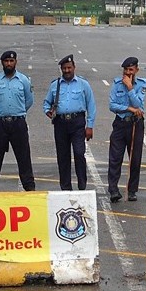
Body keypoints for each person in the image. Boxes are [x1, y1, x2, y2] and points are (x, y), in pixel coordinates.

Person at [0, 50, 35, 192]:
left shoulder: (23, 80)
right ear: (2, 63)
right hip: (0, 123)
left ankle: (29, 187)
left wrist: (17, 112)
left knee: (24, 157)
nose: (9, 64)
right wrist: (1, 112)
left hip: (18, 123)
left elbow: (29, 100)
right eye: (6, 61)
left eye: (11, 61)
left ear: (16, 62)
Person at [43, 54, 96, 190]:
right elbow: (47, 102)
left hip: (77, 122)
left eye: (69, 68)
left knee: (79, 153)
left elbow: (91, 105)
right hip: (60, 123)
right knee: (63, 156)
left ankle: (82, 185)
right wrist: (48, 111)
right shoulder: (55, 85)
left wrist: (89, 126)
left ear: (74, 67)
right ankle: (66, 188)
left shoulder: (83, 84)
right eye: (64, 68)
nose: (67, 71)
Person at [108, 57, 146, 202]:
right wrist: (128, 108)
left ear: (137, 70)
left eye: (131, 70)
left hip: (135, 124)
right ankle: (113, 190)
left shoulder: (142, 84)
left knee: (135, 158)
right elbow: (112, 105)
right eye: (125, 70)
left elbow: (138, 103)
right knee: (115, 157)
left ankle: (132, 190)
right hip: (120, 123)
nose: (128, 73)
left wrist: (130, 87)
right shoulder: (117, 84)